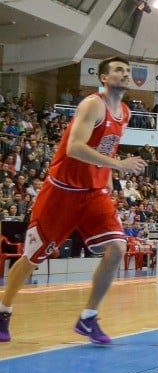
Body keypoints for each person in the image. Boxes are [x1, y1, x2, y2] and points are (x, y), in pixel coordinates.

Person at [0, 57, 146, 344]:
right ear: (104, 78)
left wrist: (107, 181)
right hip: (62, 192)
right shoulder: (93, 104)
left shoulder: (125, 112)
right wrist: (119, 165)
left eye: (127, 71)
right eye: (118, 70)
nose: (125, 74)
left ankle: (88, 318)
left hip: (93, 194)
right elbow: (75, 147)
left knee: (117, 248)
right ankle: (3, 311)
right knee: (32, 258)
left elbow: (106, 146)